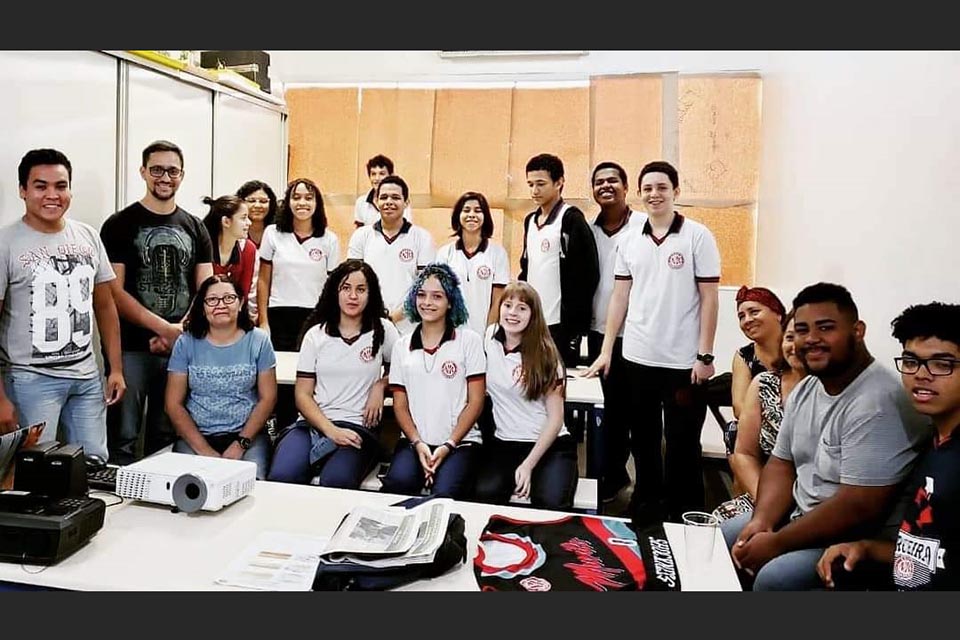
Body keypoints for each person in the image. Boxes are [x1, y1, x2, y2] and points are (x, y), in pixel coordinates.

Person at [721, 283, 930, 591]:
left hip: (853, 538)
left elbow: (858, 507)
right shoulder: (808, 387)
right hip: (798, 515)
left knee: (775, 577)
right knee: (729, 536)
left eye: (826, 328)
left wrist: (777, 542)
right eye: (802, 330)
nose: (811, 339)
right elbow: (781, 463)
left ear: (857, 331)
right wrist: (762, 520)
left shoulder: (876, 400)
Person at [585, 160, 720, 525]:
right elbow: (619, 298)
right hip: (637, 358)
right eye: (648, 189)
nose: (654, 194)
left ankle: (684, 511)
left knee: (682, 443)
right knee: (643, 441)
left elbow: (709, 298)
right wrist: (607, 350)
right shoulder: (629, 240)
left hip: (683, 363)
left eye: (662, 187)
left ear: (676, 191)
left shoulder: (697, 236)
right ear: (640, 193)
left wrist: (705, 355)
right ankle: (645, 505)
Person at [817, 302, 960, 591]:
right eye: (911, 361)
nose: (921, 374)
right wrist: (867, 548)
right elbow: (931, 552)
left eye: (942, 364)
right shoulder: (931, 443)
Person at [0, 148, 125, 458]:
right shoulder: (6, 243)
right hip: (30, 381)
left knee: (94, 465)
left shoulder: (88, 236)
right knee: (34, 476)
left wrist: (115, 369)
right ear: (23, 190)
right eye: (41, 186)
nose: (52, 195)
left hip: (86, 377)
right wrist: (0, 397)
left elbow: (106, 306)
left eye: (61, 185)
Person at [100, 140, 214, 464]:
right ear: (143, 172)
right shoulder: (119, 224)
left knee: (166, 435)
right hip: (130, 349)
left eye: (172, 170)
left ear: (182, 175)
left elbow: (207, 287)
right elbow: (113, 292)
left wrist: (179, 332)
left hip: (179, 347)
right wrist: (165, 328)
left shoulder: (195, 227)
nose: (165, 177)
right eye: (157, 170)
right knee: (123, 435)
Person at [267, 260, 399, 488]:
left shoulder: (383, 330)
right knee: (282, 476)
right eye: (345, 288)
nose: (353, 296)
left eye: (361, 289)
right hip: (312, 424)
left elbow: (401, 374)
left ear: (371, 294)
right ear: (334, 291)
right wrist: (331, 431)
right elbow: (302, 395)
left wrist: (380, 385)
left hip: (358, 426)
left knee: (336, 481)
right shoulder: (316, 335)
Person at [381, 263, 485, 499]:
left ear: (450, 302)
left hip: (460, 443)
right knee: (397, 485)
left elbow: (476, 402)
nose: (427, 302)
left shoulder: (469, 341)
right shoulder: (401, 346)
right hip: (415, 442)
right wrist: (418, 443)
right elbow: (400, 405)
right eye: (421, 295)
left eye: (437, 296)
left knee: (444, 493)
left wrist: (448, 445)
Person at [474, 282, 578, 510]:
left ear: (534, 315)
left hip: (549, 445)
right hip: (506, 443)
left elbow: (555, 419)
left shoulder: (546, 355)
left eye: (522, 308)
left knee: (550, 501)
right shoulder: (489, 338)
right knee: (484, 494)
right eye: (508, 305)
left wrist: (528, 465)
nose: (512, 313)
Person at [165, 275, 276, 479]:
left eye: (228, 298)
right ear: (203, 306)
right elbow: (173, 404)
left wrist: (240, 445)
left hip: (247, 436)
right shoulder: (186, 342)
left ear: (241, 302)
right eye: (212, 300)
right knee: (191, 487)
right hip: (197, 437)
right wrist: (205, 451)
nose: (220, 305)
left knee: (253, 484)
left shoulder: (259, 340)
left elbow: (268, 398)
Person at [586, 161, 642, 504]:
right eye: (598, 182)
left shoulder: (642, 226)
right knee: (607, 410)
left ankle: (627, 478)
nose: (605, 186)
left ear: (625, 187)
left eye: (612, 181)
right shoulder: (588, 230)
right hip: (598, 332)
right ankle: (609, 475)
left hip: (637, 334)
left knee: (632, 410)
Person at [718, 311, 806, 520]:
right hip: (766, 495)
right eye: (789, 337)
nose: (795, 345)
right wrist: (769, 506)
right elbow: (745, 453)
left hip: (813, 509)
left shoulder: (831, 392)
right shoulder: (765, 383)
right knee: (717, 525)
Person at [519, 153, 599, 367]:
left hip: (561, 327)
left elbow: (588, 274)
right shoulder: (530, 221)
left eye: (541, 184)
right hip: (531, 321)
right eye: (530, 184)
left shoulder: (571, 219)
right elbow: (525, 269)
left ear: (559, 182)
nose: (534, 191)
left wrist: (574, 326)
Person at [257, 177, 340, 352]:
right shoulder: (272, 233)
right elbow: (263, 280)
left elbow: (332, 286)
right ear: (288, 202)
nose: (302, 203)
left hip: (315, 315)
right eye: (296, 197)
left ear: (317, 203)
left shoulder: (329, 239)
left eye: (308, 198)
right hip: (279, 314)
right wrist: (263, 321)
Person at [347, 175, 435, 333]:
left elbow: (426, 285)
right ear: (376, 201)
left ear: (406, 202)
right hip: (367, 322)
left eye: (395, 197)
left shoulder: (422, 237)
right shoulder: (361, 236)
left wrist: (394, 317)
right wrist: (376, 316)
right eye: (384, 197)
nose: (389, 202)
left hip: (409, 325)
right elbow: (353, 282)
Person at [435, 191, 509, 336]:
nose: (472, 215)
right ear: (458, 216)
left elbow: (497, 300)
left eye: (478, 211)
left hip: (482, 333)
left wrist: (489, 335)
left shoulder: (497, 253)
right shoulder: (445, 253)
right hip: (450, 334)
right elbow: (439, 296)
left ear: (485, 216)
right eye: (466, 210)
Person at [201, 195, 256, 306]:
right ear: (226, 221)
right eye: (243, 218)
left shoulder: (248, 249)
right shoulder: (202, 247)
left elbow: (242, 294)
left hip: (233, 314)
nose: (249, 223)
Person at [353, 154, 412, 228]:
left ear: (391, 175)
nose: (377, 178)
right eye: (373, 174)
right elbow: (359, 231)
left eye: (382, 173)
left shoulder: (400, 201)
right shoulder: (361, 202)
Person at [236, 180, 278, 249]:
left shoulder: (278, 230)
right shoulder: (234, 230)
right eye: (251, 201)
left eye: (263, 201)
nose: (257, 205)